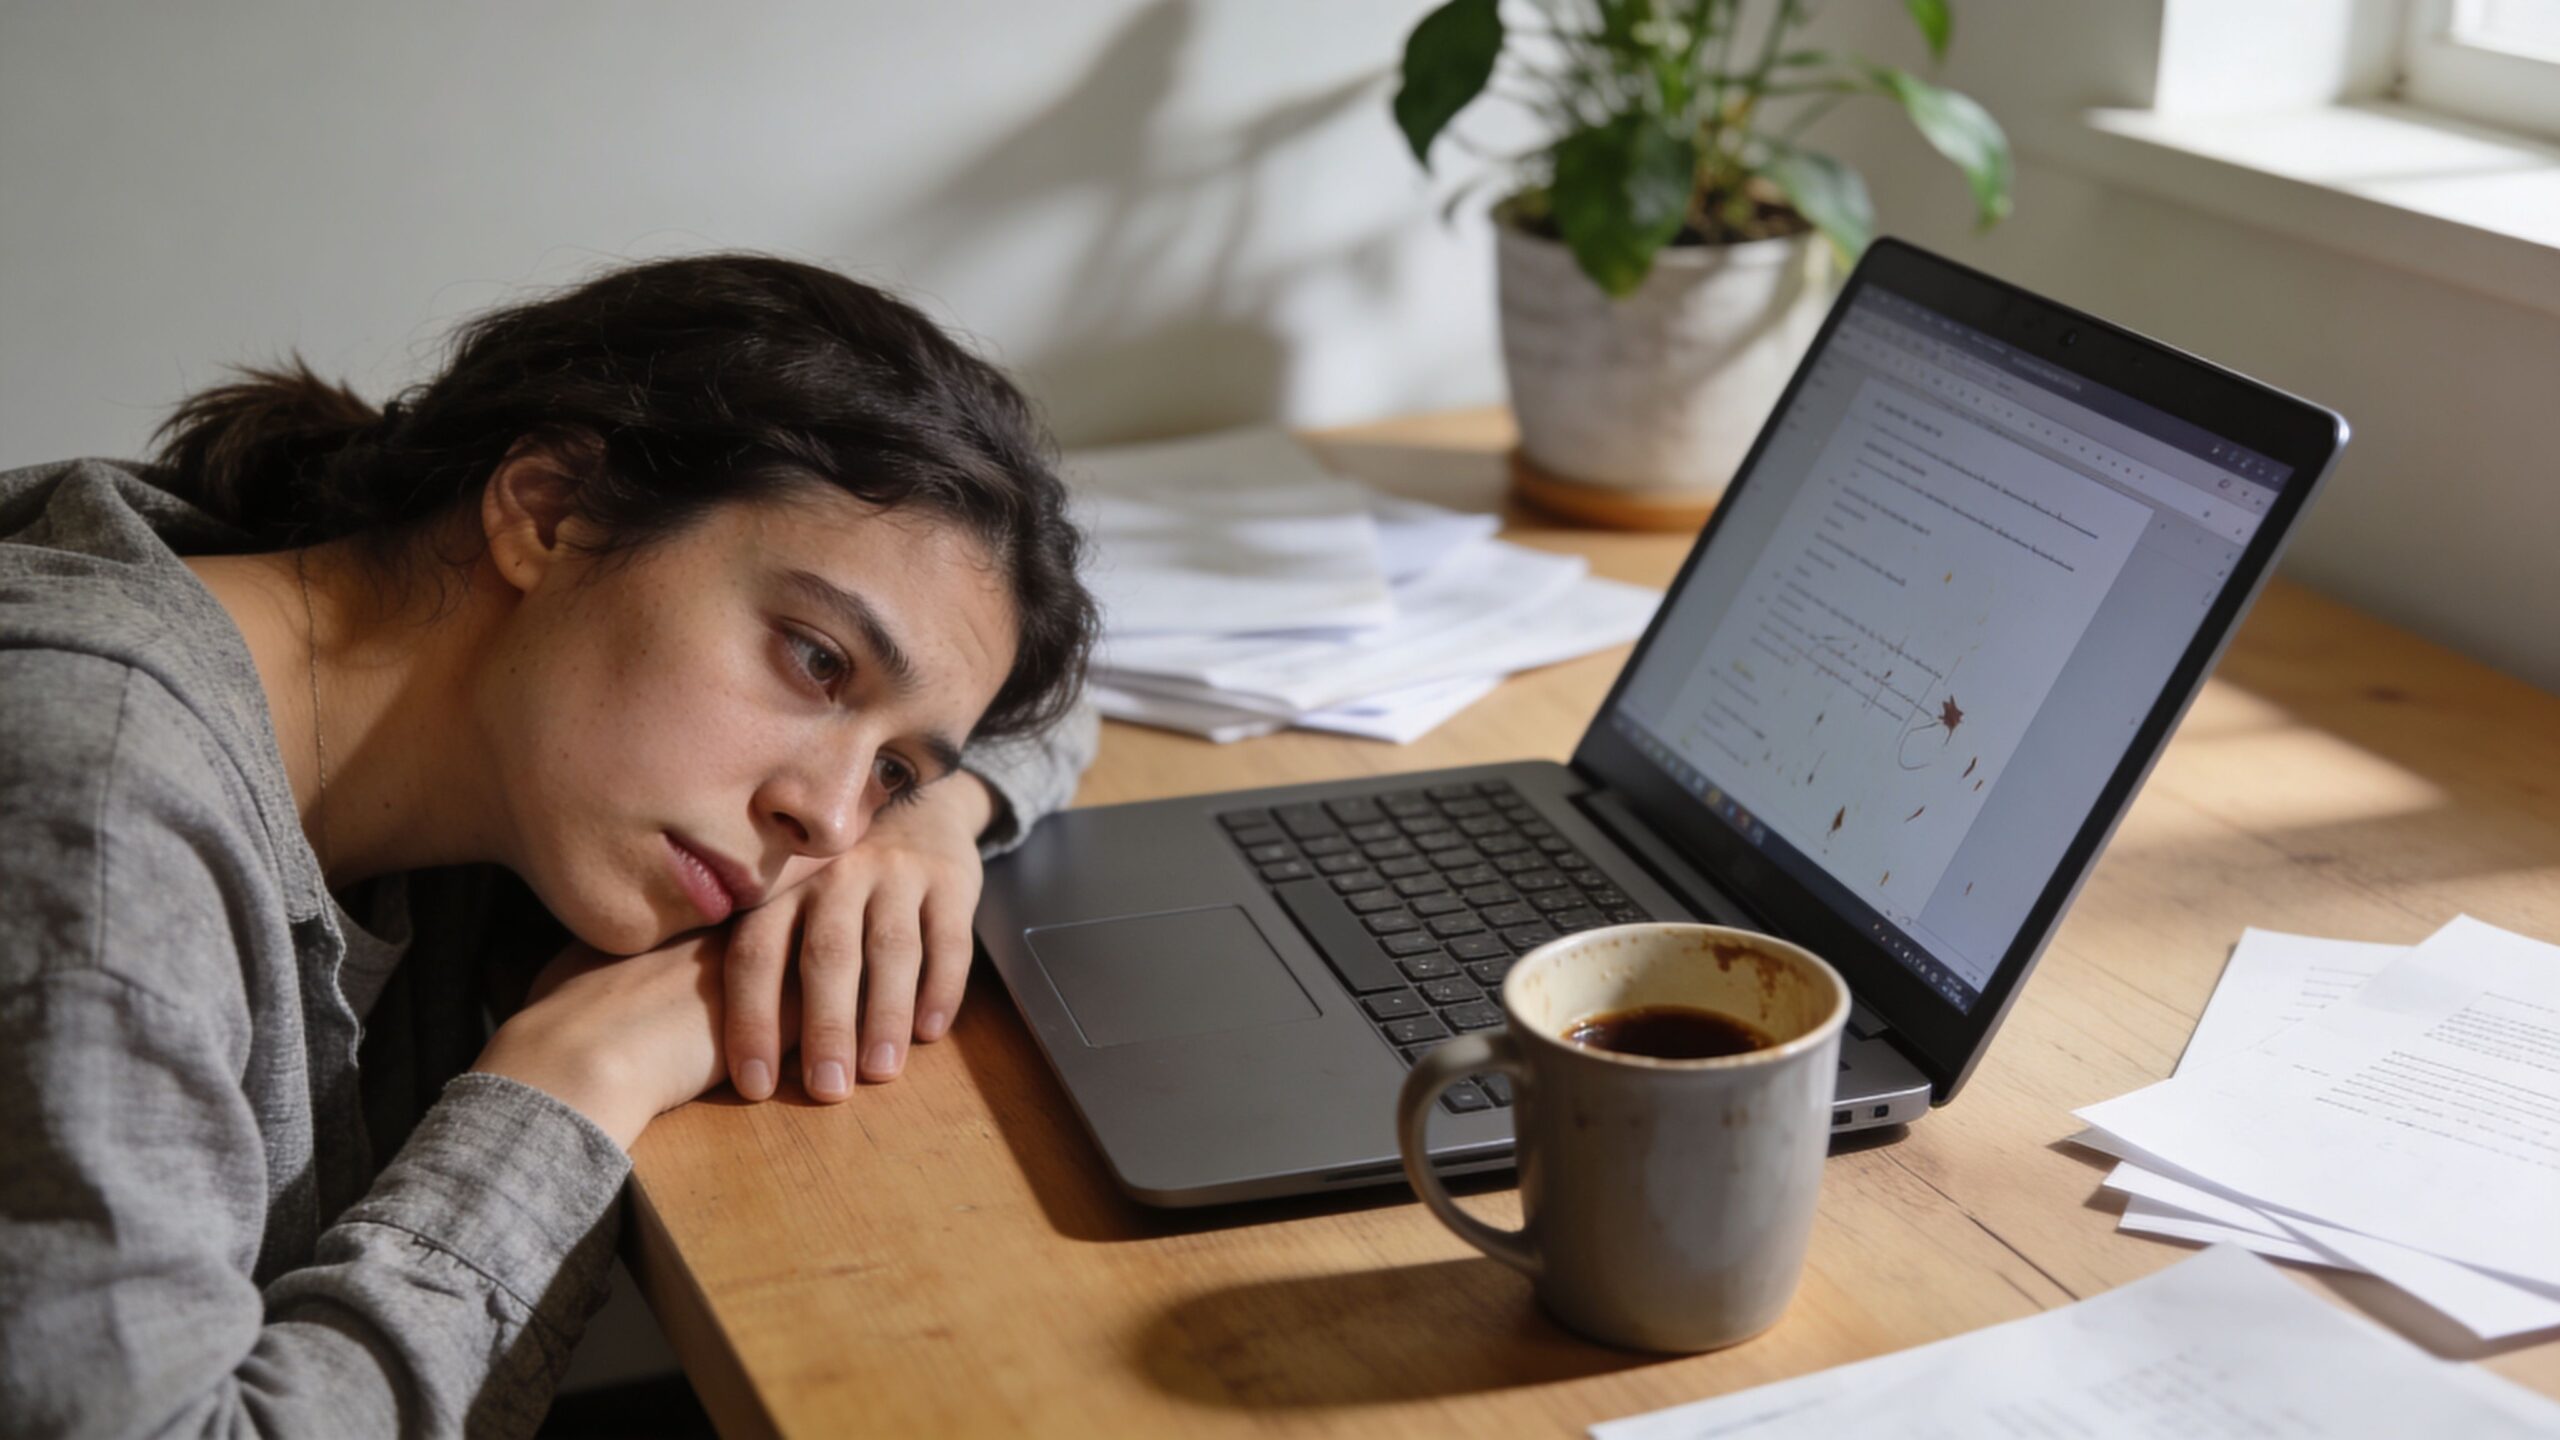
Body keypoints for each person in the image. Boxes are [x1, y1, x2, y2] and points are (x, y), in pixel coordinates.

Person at [0, 254, 1100, 1437]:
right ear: (548, 510)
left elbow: (1063, 709)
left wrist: (936, 818)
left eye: (887, 768)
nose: (829, 824)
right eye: (817, 660)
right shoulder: (96, 813)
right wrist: (575, 1085)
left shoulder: (385, 687)